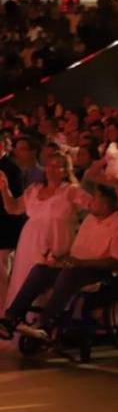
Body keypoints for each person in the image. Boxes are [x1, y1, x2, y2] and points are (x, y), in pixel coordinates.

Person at [0, 185, 118, 341]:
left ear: (105, 203)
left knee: (69, 275)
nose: (91, 202)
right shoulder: (89, 220)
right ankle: (11, 317)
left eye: (95, 199)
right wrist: (60, 259)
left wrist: (81, 263)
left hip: (96, 271)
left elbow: (116, 261)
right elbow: (76, 251)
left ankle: (46, 324)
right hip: (77, 266)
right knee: (40, 270)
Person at [0, 152, 92, 311]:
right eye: (50, 165)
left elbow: (94, 207)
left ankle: (44, 323)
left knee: (46, 285)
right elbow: (13, 208)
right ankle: (17, 321)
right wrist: (4, 188)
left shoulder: (70, 191)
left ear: (66, 170)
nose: (52, 169)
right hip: (30, 242)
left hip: (56, 241)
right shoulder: (34, 190)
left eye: (58, 166)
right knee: (24, 279)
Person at [0, 132, 25, 308]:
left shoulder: (11, 169)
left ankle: (3, 315)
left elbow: (14, 203)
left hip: (5, 231)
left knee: (1, 275)